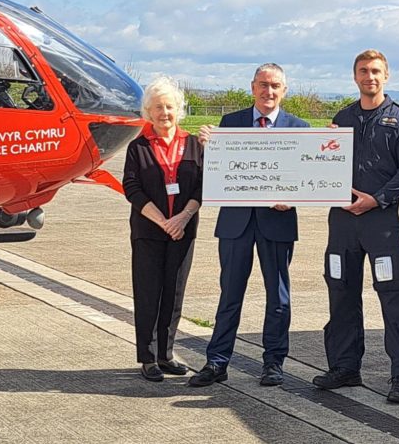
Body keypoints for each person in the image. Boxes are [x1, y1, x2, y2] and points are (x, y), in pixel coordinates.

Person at [189, 63, 310, 389]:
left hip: (277, 222)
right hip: (236, 222)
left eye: (275, 86)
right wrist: (207, 149)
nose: (268, 92)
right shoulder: (230, 123)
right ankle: (217, 361)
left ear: (284, 90)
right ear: (252, 87)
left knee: (279, 297)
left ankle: (273, 363)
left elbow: (309, 179)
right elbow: (215, 173)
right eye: (263, 85)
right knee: (230, 294)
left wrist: (294, 197)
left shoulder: (300, 128)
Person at [315, 49, 399, 404]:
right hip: (343, 223)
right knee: (341, 291)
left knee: (392, 296)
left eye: (376, 71)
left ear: (386, 76)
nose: (370, 77)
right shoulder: (342, 117)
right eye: (363, 71)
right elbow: (322, 164)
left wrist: (377, 198)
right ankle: (345, 367)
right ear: (355, 76)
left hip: (381, 223)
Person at [122, 75, 204, 382]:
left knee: (174, 293)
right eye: (157, 107)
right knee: (148, 293)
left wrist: (182, 219)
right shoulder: (138, 148)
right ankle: (147, 357)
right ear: (148, 111)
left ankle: (166, 354)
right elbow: (132, 188)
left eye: (169, 106)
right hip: (149, 231)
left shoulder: (195, 144)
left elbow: (202, 186)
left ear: (178, 110)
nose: (164, 112)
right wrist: (164, 222)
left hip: (183, 230)